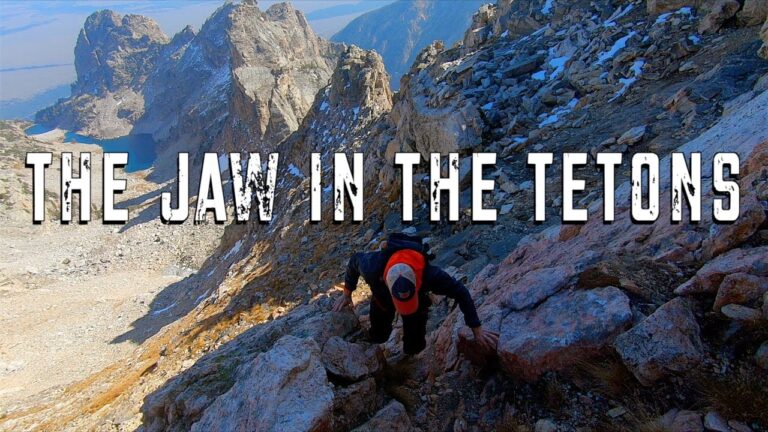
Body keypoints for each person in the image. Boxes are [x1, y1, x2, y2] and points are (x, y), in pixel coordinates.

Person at [333, 233, 498, 355]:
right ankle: (378, 342)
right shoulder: (372, 267)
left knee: (415, 341)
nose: (403, 307)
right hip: (383, 297)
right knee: (379, 333)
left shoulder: (430, 276)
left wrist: (477, 329)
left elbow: (461, 293)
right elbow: (354, 261)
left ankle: (411, 355)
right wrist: (347, 294)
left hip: (418, 301)